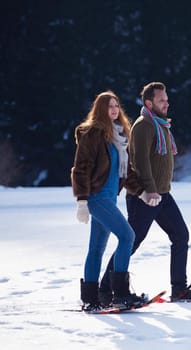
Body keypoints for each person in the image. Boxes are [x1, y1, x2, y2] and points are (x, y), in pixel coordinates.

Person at [98, 82, 191, 303]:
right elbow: (140, 162)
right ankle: (105, 291)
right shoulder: (144, 126)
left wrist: (158, 191)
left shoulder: (161, 125)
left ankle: (179, 289)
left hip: (162, 195)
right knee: (132, 241)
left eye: (166, 99)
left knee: (180, 235)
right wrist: (148, 190)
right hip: (145, 197)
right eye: (161, 100)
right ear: (149, 103)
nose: (166, 103)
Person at [71, 91, 145, 311]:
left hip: (110, 198)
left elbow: (126, 172)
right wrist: (82, 201)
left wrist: (141, 192)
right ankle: (121, 294)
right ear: (100, 109)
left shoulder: (119, 136)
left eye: (116, 106)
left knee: (96, 248)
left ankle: (91, 299)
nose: (114, 109)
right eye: (109, 106)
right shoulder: (92, 133)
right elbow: (80, 168)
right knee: (127, 235)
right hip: (96, 197)